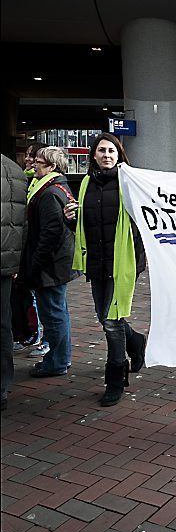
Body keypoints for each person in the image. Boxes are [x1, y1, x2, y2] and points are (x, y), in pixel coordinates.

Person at [64, 133, 148, 407]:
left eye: (111, 150)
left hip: (122, 263)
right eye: (101, 150)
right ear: (94, 156)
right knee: (104, 316)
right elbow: (85, 226)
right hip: (97, 262)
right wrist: (72, 219)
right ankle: (135, 341)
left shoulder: (129, 183)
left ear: (119, 154)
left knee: (111, 323)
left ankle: (115, 378)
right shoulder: (87, 183)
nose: (106, 155)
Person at [19, 146, 79, 378]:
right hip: (56, 264)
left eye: (39, 161)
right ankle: (61, 358)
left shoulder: (49, 193)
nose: (33, 163)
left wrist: (34, 265)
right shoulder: (55, 188)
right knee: (58, 313)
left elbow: (49, 234)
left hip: (50, 266)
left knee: (53, 315)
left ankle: (56, 362)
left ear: (52, 167)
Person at [2, 155, 28, 411]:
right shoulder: (15, 170)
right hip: (7, 263)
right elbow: (23, 223)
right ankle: (3, 385)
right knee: (3, 324)